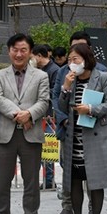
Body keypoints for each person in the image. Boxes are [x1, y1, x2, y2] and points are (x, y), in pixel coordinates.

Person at [0, 33, 50, 214]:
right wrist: (19, 114)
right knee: (2, 182)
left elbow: (44, 101)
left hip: (31, 134)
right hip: (5, 135)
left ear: (30, 52)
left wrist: (30, 115)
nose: (19, 54)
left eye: (23, 50)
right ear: (9, 51)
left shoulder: (41, 76)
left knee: (32, 181)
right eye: (15, 50)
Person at [57, 43, 107, 214]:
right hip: (74, 137)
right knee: (74, 180)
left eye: (75, 59)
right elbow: (61, 105)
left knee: (95, 181)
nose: (71, 63)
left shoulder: (102, 77)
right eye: (69, 60)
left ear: (86, 59)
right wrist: (65, 88)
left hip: (95, 137)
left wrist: (91, 109)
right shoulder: (70, 80)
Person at [52, 31, 107, 214]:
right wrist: (65, 120)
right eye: (71, 53)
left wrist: (91, 109)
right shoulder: (64, 73)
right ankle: (70, 210)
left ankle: (94, 213)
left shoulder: (101, 73)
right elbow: (57, 100)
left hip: (92, 132)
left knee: (93, 175)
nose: (73, 59)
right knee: (71, 175)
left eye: (79, 50)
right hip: (70, 131)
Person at [32, 44, 60, 190]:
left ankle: (49, 180)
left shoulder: (54, 70)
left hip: (49, 117)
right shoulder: (39, 70)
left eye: (32, 57)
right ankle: (40, 179)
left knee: (48, 149)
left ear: (39, 56)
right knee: (38, 149)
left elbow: (55, 92)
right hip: (40, 116)